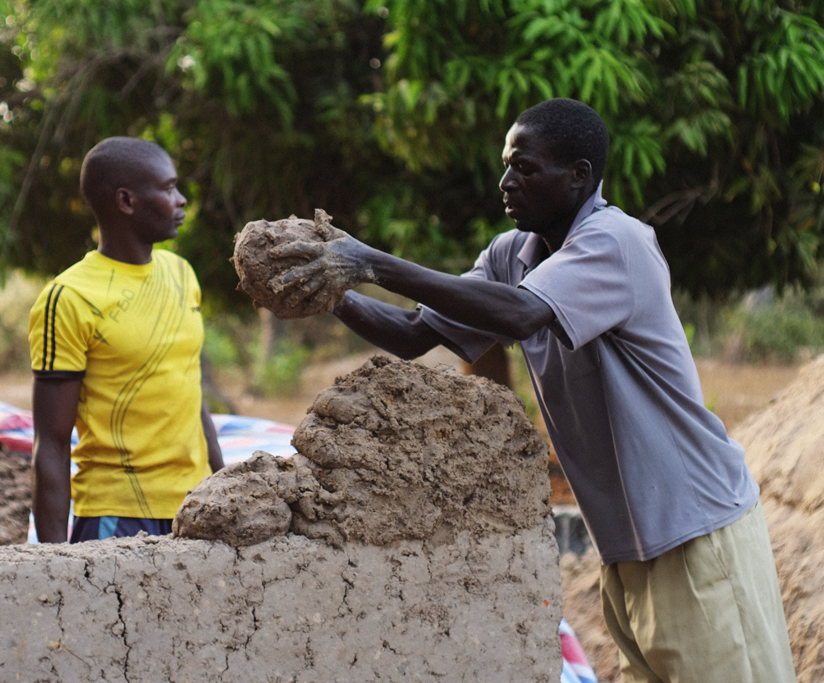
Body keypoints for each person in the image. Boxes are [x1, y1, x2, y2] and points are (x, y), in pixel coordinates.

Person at [271, 98, 796, 683]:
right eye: (505, 165)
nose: (506, 182)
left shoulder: (616, 242)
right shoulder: (509, 256)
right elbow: (413, 334)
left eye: (524, 167)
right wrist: (324, 284)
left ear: (579, 176)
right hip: (627, 546)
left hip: (697, 533)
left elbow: (522, 314)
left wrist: (368, 262)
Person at [28, 137, 223, 544]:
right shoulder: (68, 299)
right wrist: (52, 565)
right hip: (116, 520)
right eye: (169, 189)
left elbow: (190, 388)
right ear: (126, 202)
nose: (182, 200)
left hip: (196, 508)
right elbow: (51, 444)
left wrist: (222, 485)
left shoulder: (181, 274)